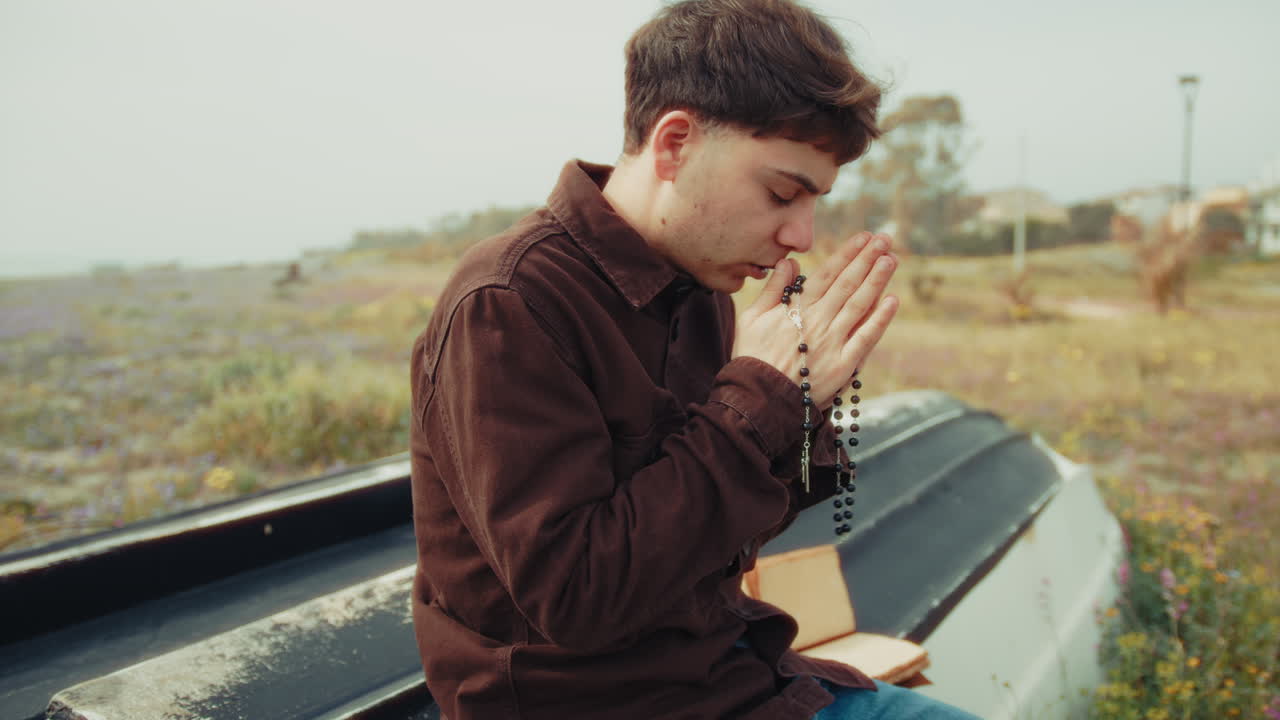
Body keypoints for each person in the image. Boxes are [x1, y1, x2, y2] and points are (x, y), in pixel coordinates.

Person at [408, 1, 979, 717]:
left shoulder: (703, 290)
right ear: (674, 144)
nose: (801, 233)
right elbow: (576, 598)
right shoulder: (512, 301)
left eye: (815, 202)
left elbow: (717, 538)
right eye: (781, 192)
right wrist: (757, 403)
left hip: (732, 677)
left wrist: (801, 401)